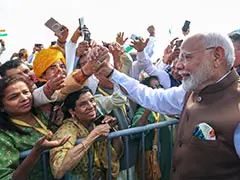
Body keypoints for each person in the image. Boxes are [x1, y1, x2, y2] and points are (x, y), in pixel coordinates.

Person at [92, 32, 240, 179]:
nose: (179, 65)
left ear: (217, 56)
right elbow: (149, 96)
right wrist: (111, 73)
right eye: (180, 57)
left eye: (187, 57)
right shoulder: (188, 93)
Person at [0, 75, 70, 180]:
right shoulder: (4, 136)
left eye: (26, 92)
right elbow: (7, 178)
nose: (24, 98)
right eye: (14, 97)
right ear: (1, 107)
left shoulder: (42, 113)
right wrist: (37, 151)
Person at [50, 86, 123, 179]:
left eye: (92, 100)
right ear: (72, 111)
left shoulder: (95, 123)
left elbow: (117, 153)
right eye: (83, 104)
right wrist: (93, 136)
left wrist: (112, 131)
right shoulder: (67, 129)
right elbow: (58, 170)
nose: (91, 106)